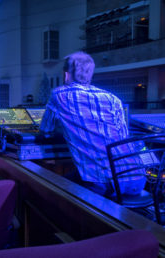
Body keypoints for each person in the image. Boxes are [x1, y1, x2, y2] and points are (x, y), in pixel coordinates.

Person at [39, 51, 145, 196]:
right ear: (90, 74)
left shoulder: (59, 95)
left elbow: (45, 130)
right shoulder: (113, 98)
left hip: (104, 184)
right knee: (75, 174)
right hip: (137, 178)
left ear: (66, 75)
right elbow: (123, 135)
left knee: (51, 190)